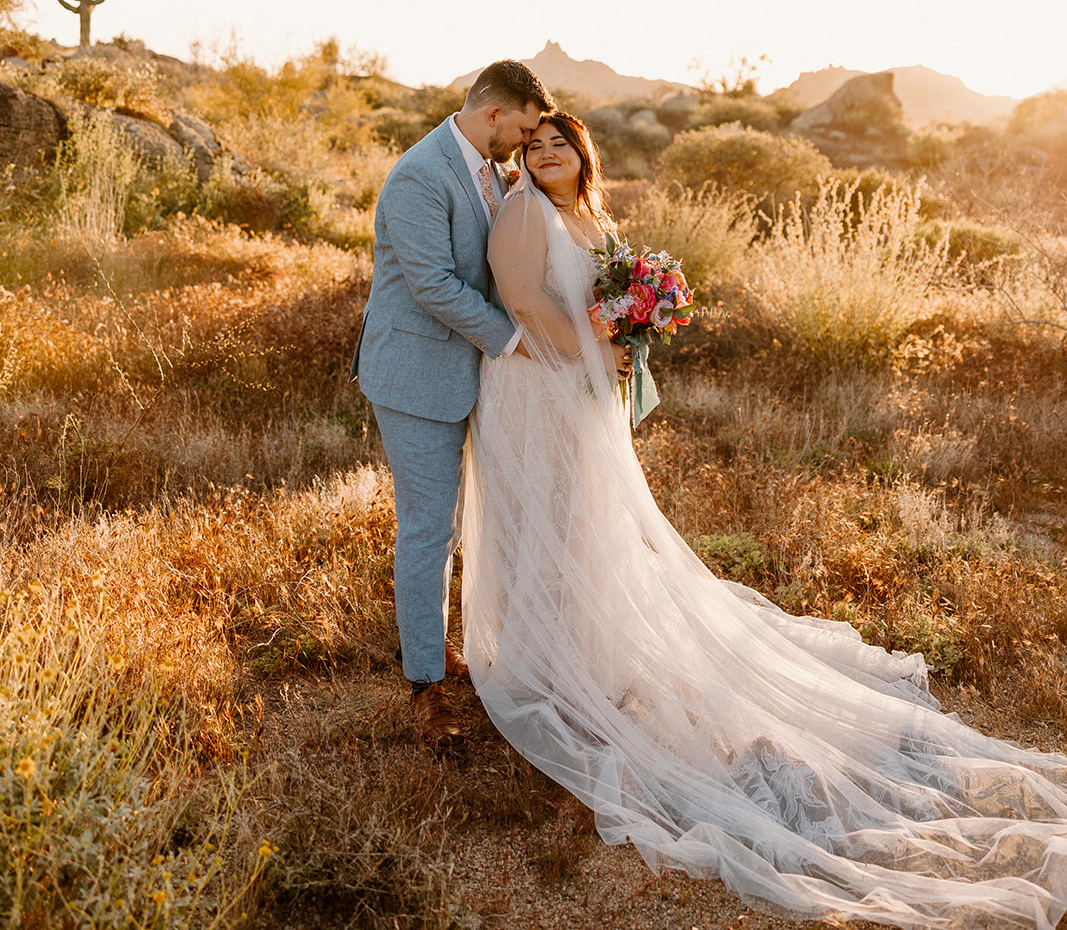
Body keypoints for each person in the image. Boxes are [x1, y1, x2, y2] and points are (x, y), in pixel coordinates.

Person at [462, 110, 1067, 930]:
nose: (544, 155)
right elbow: (520, 296)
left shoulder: (589, 215)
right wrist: (594, 350)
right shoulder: (524, 212)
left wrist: (629, 330)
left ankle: (587, 649)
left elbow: (593, 294)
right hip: (536, 392)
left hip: (581, 393)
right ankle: (543, 661)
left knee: (586, 526)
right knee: (545, 521)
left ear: (580, 153)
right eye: (532, 147)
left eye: (557, 143)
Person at [351, 59, 554, 750]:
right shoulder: (419, 174)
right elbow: (434, 285)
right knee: (428, 529)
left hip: (475, 374)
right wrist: (515, 340)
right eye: (523, 130)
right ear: (494, 113)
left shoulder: (491, 172)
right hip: (414, 374)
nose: (524, 146)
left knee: (465, 523)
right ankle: (424, 685)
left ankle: (440, 647)